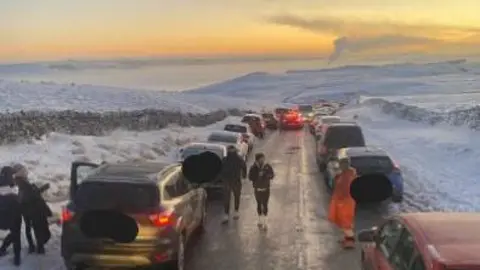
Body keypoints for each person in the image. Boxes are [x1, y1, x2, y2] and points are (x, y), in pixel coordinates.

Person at [12, 164, 52, 254]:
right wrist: (43, 188)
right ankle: (38, 247)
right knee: (38, 228)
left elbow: (29, 194)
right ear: (21, 172)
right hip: (32, 209)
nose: (26, 172)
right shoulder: (22, 182)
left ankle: (32, 246)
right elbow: (30, 194)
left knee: (29, 228)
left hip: (26, 209)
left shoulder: (21, 181)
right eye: (24, 170)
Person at [328, 158, 357, 249]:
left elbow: (345, 190)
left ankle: (350, 242)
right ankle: (346, 239)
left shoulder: (348, 176)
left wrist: (339, 200)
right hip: (343, 202)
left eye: (341, 165)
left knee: (346, 222)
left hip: (345, 202)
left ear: (345, 165)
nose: (339, 166)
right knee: (343, 221)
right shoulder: (345, 174)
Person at [0, 166, 22, 266]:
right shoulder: (13, 192)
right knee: (16, 233)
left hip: (1, 220)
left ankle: (3, 249)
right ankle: (17, 258)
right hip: (11, 218)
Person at [220, 145, 247, 223]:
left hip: (235, 181)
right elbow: (220, 169)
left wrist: (244, 175)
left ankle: (234, 212)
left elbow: (244, 166)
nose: (231, 152)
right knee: (227, 198)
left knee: (235, 196)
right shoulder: (226, 160)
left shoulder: (237, 159)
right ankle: (227, 213)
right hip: (228, 180)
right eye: (230, 151)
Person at [248, 153, 275, 229]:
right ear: (257, 159)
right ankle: (260, 219)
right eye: (261, 159)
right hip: (257, 189)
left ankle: (265, 222)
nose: (263, 160)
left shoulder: (267, 166)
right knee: (259, 204)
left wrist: (266, 175)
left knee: (265, 204)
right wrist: (257, 175)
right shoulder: (253, 168)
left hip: (266, 189)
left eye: (263, 158)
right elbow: (250, 177)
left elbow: (272, 175)